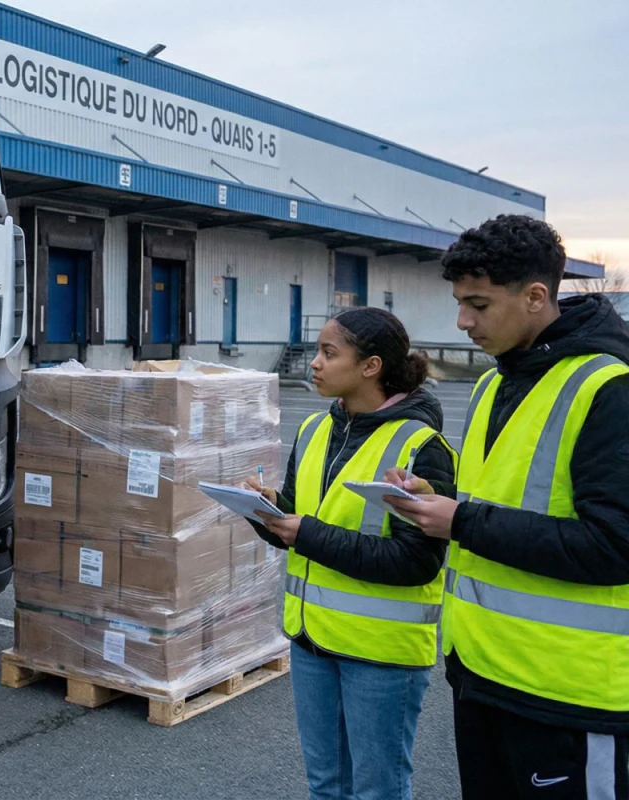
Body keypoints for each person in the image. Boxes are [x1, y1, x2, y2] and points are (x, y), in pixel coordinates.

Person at [386, 215, 629, 798]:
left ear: (536, 296)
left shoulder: (608, 387)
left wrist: (460, 521)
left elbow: (615, 546)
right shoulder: (493, 384)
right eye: (458, 303)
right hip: (482, 675)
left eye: (478, 304)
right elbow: (501, 500)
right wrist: (438, 503)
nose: (462, 321)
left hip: (573, 696)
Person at [244, 307, 457, 800]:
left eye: (328, 353)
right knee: (327, 786)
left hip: (381, 654)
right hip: (311, 640)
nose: (314, 363)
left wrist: (306, 533)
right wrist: (265, 510)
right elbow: (297, 525)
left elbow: (417, 562)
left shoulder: (422, 446)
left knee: (378, 790)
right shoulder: (316, 430)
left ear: (371, 366)